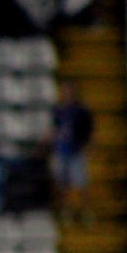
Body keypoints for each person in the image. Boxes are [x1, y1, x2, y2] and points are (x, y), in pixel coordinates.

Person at [50, 80, 93, 222]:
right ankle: (65, 211)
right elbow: (55, 129)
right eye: (63, 91)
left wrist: (89, 147)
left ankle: (85, 211)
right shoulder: (57, 110)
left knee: (81, 182)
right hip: (62, 150)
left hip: (76, 150)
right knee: (62, 184)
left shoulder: (81, 110)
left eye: (68, 91)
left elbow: (89, 131)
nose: (65, 94)